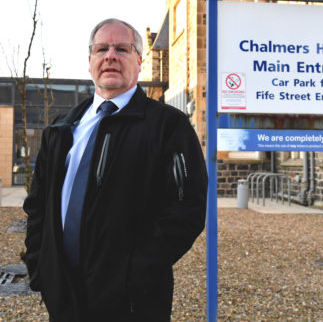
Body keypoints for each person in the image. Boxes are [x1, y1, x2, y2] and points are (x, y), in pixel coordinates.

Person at [23, 18, 207, 321]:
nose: (110, 56)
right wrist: (40, 267)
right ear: (90, 61)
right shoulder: (60, 129)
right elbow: (38, 206)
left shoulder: (167, 126)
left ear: (139, 60)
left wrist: (135, 273)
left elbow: (187, 208)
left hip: (133, 303)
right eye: (101, 49)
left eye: (122, 48)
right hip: (65, 297)